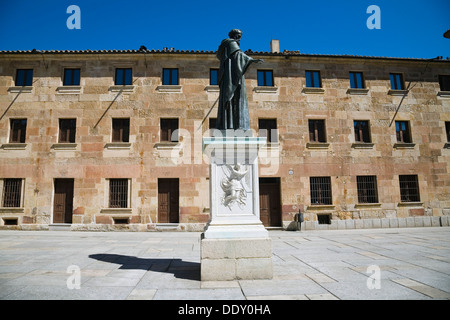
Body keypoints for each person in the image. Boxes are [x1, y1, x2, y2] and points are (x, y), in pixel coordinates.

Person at [216, 29, 263, 131]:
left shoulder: (225, 46)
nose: (239, 38)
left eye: (240, 36)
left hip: (229, 76)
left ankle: (229, 125)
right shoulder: (231, 43)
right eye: (238, 36)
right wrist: (251, 59)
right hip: (234, 77)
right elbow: (238, 55)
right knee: (237, 98)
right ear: (234, 36)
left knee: (231, 101)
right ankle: (237, 126)